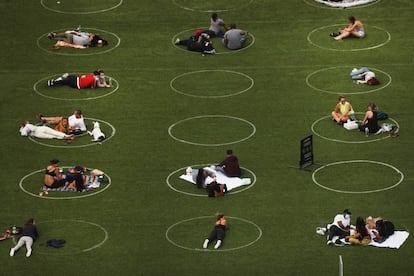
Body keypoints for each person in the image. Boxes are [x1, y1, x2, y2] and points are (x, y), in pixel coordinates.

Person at [47, 70, 111, 89]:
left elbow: (83, 76)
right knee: (66, 81)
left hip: (78, 80)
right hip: (77, 83)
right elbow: (93, 87)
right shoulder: (94, 79)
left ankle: (54, 82)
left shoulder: (90, 75)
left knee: (67, 80)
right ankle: (54, 82)